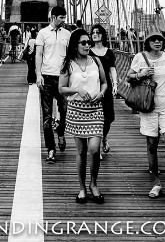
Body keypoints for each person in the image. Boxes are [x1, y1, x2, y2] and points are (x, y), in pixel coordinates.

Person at [127, 26, 165, 205]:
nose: (157, 42)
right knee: (152, 145)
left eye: (160, 39)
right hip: (148, 108)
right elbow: (129, 77)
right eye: (153, 39)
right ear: (148, 42)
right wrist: (141, 74)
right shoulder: (140, 57)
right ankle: (156, 182)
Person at [59, 29, 107, 204]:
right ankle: (82, 188)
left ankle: (93, 183)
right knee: (81, 151)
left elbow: (104, 82)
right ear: (75, 45)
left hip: (95, 109)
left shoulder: (96, 61)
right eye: (84, 43)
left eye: (89, 42)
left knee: (94, 149)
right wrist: (77, 89)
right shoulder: (68, 64)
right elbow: (61, 89)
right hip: (76, 109)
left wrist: (101, 93)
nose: (88, 45)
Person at [35, 6, 71, 163]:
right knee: (47, 116)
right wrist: (38, 74)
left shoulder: (67, 34)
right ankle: (50, 149)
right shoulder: (43, 33)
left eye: (64, 17)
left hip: (63, 78)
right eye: (61, 17)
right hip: (47, 78)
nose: (63, 20)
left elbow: (71, 55)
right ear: (53, 17)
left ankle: (61, 132)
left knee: (64, 111)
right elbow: (38, 54)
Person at [90, 23, 118, 154]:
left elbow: (112, 68)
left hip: (106, 86)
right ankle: (96, 146)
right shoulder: (88, 51)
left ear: (103, 35)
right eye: (93, 33)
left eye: (98, 32)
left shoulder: (109, 52)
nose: (95, 34)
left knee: (108, 116)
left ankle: (104, 137)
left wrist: (116, 83)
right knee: (95, 116)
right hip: (92, 86)